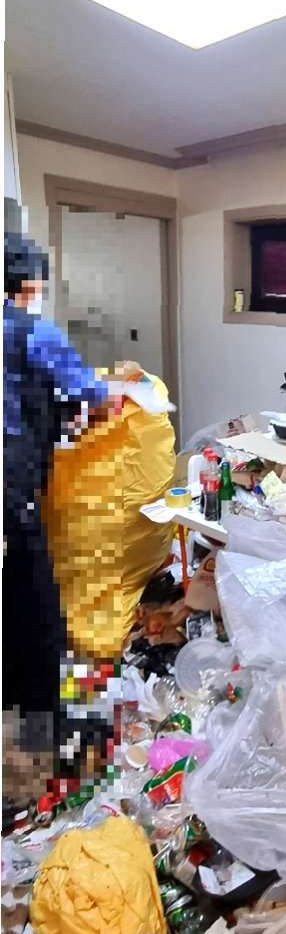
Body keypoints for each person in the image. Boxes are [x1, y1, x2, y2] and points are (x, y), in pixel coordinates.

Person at [3, 199, 110, 798]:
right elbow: (92, 395)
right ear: (30, 284)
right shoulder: (31, 330)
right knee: (35, 609)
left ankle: (20, 709)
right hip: (11, 494)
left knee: (11, 607)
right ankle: (43, 736)